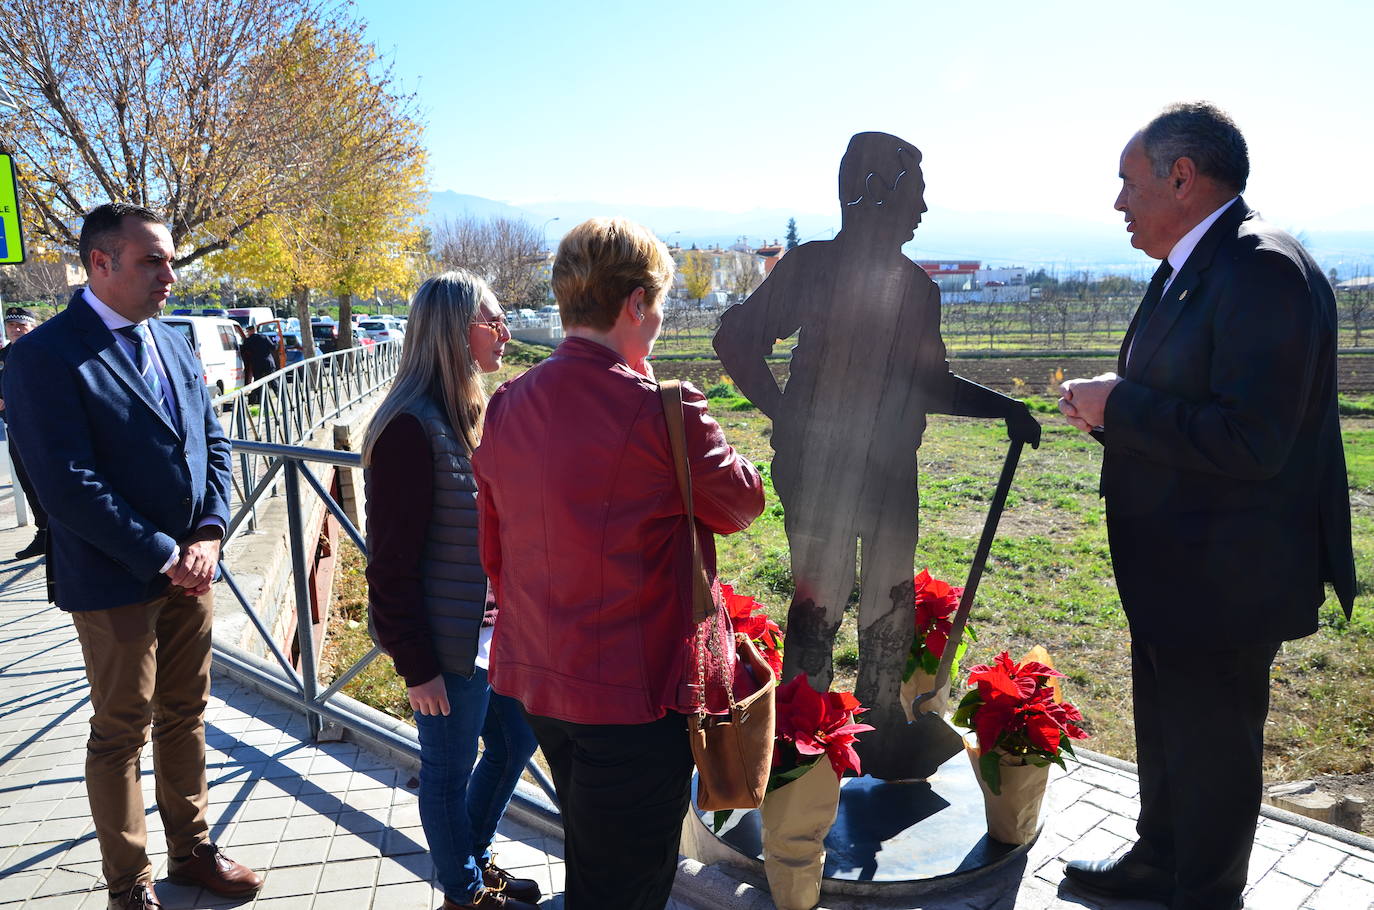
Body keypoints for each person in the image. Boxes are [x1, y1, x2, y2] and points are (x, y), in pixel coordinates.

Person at [1057, 103, 1355, 910]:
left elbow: (1254, 440)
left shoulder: (1262, 269)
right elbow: (1183, 400)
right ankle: (1160, 860)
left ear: (1182, 178)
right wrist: (1108, 413)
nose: (1119, 202)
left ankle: (1206, 894)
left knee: (1214, 749)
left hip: (1228, 579)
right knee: (1169, 730)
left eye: (1129, 183)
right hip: (1177, 568)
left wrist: (1120, 405)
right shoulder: (1195, 262)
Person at [714, 132, 1041, 779]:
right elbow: (736, 339)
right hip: (821, 473)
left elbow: (929, 383)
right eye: (914, 196)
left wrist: (1004, 409)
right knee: (820, 599)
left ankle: (879, 722)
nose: (922, 210)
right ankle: (804, 735)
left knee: (890, 597)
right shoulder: (812, 268)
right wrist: (786, 414)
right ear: (874, 193)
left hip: (890, 473)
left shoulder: (917, 290)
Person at [472, 217, 765, 910]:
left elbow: (496, 551)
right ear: (635, 303)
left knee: (594, 849)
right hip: (633, 700)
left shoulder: (509, 402)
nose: (659, 321)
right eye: (658, 305)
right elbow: (743, 503)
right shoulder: (663, 411)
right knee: (630, 881)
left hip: (540, 681)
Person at [5, 202, 263, 910]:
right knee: (121, 731)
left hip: (193, 572)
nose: (169, 275)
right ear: (101, 263)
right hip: (114, 577)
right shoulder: (41, 356)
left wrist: (209, 531)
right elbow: (66, 484)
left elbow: (214, 443)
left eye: (171, 261)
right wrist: (162, 554)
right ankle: (129, 883)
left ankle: (192, 851)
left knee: (186, 714)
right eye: (153, 261)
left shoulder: (173, 342)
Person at [362, 271, 541, 910]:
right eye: (494, 320)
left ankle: (475, 861)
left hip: (489, 637)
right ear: (453, 330)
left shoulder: (465, 417)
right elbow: (389, 566)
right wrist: (418, 667)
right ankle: (464, 894)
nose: (506, 332)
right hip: (445, 648)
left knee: (516, 741)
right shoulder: (410, 428)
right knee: (446, 770)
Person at [0, 306, 48, 559]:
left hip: (43, 430)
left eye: (21, 325)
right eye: (11, 326)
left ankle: (65, 537)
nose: (16, 330)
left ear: (32, 326)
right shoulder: (3, 355)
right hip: (15, 430)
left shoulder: (45, 350)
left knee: (52, 482)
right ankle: (44, 534)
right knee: (28, 483)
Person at [240, 322, 278, 401]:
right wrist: (277, 339)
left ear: (250, 331)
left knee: (258, 383)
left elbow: (242, 350)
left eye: (247, 331)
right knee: (274, 381)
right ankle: (280, 396)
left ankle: (261, 400)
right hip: (268, 362)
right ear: (255, 330)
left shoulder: (248, 340)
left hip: (257, 364)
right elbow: (273, 347)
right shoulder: (264, 337)